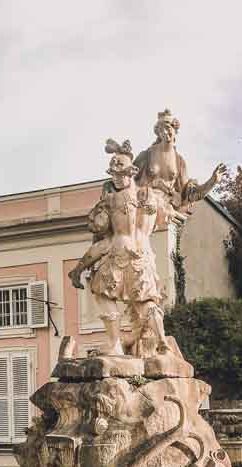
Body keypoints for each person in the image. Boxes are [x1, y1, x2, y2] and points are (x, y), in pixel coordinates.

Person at [68, 139, 169, 356]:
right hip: (143, 257)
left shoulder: (112, 199)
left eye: (116, 171)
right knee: (146, 301)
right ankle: (162, 340)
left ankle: (114, 344)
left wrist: (78, 269)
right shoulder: (147, 194)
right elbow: (162, 220)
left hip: (119, 254)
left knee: (101, 293)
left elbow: (102, 243)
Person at [134, 109, 227, 225]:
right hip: (146, 205)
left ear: (175, 129)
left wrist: (212, 181)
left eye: (167, 128)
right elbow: (129, 180)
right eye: (160, 129)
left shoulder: (179, 162)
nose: (164, 132)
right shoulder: (146, 155)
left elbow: (189, 194)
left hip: (168, 207)